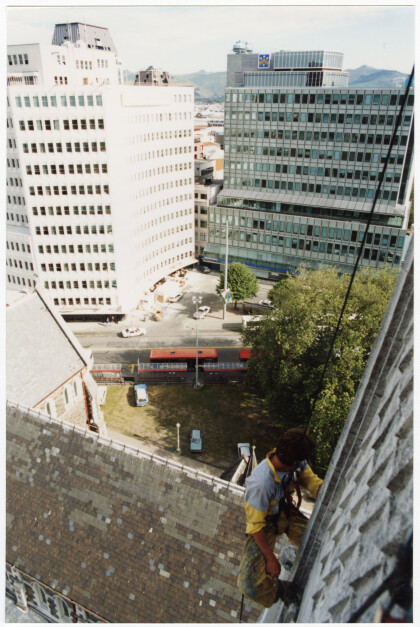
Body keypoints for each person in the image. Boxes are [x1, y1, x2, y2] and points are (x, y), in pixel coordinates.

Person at [237, 428, 323, 608]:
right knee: (249, 584)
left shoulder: (293, 460)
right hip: (265, 526)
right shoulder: (260, 484)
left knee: (319, 540)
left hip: (284, 513)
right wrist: (270, 558)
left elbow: (310, 480)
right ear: (291, 462)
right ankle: (284, 590)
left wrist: (323, 490)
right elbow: (255, 526)